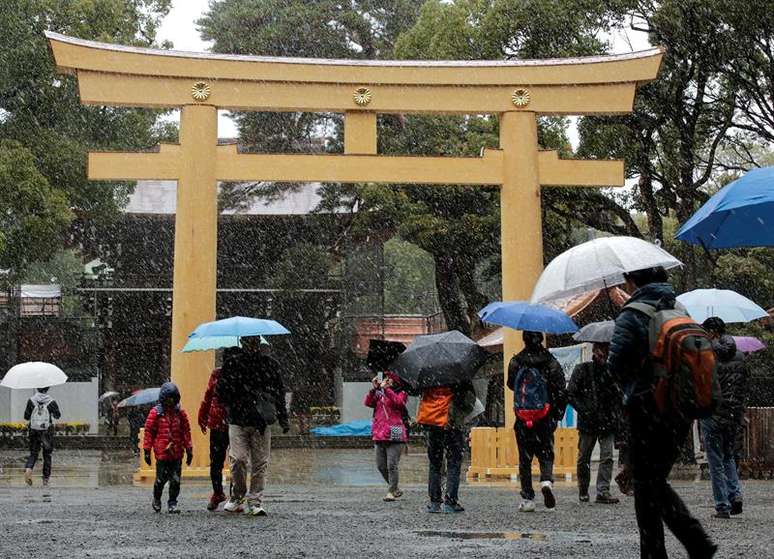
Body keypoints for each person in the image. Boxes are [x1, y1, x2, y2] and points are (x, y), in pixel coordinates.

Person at [608, 266, 716, 558]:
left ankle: (691, 542)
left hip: (647, 407)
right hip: (679, 408)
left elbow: (616, 364)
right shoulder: (679, 308)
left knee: (648, 482)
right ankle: (678, 546)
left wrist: (633, 382)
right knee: (652, 481)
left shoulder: (632, 314)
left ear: (632, 281)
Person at [216, 336, 290, 516]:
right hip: (237, 419)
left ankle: (255, 500)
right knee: (238, 459)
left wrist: (282, 417)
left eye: (255, 342)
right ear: (243, 343)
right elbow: (221, 392)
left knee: (260, 463)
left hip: (261, 421)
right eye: (249, 342)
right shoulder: (232, 364)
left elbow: (279, 391)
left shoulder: (270, 365)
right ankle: (237, 495)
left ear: (259, 344)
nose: (252, 346)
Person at [507, 331, 567, 512]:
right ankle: (546, 481)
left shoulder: (516, 361)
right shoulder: (550, 362)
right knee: (546, 452)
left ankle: (527, 498)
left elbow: (511, 384)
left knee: (524, 459)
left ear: (523, 340)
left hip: (523, 417)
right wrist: (556, 414)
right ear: (541, 339)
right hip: (544, 415)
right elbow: (560, 389)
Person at [699, 318, 748, 518]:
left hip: (712, 413)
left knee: (715, 461)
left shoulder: (707, 356)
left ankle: (722, 505)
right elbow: (744, 386)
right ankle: (735, 494)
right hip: (732, 414)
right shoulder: (740, 355)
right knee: (728, 457)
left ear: (712, 333)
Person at [568, 341, 621, 504]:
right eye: (601, 351)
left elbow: (617, 395)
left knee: (607, 456)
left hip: (607, 420)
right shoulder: (582, 369)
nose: (603, 354)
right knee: (584, 457)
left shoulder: (612, 370)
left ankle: (603, 491)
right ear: (595, 351)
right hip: (588, 421)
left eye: (606, 350)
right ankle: (583, 489)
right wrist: (584, 409)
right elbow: (571, 394)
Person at [417, 380, 476, 514]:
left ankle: (434, 502)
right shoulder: (460, 379)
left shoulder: (427, 378)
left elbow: (420, 396)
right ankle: (450, 501)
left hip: (433, 424)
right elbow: (469, 403)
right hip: (452, 425)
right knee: (454, 463)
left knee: (435, 464)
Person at [143, 382, 193, 514]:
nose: (170, 401)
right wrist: (147, 450)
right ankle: (157, 499)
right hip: (162, 453)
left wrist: (189, 449)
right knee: (160, 480)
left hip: (176, 453)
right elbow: (149, 432)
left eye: (173, 398)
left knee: (175, 480)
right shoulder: (156, 413)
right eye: (168, 398)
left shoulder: (180, 413)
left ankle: (172, 502)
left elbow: (186, 431)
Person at [198, 347, 237, 511]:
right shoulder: (216, 374)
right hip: (219, 423)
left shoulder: (240, 375)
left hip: (234, 421)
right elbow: (208, 396)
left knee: (236, 460)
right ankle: (218, 493)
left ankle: (235, 496)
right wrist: (203, 416)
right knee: (218, 461)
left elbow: (208, 397)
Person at [364, 371, 408, 502]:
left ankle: (391, 491)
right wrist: (374, 389)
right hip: (379, 433)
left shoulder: (402, 392)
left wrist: (387, 390)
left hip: (395, 432)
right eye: (385, 379)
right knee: (380, 466)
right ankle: (395, 487)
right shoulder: (379, 394)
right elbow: (367, 402)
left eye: (389, 379)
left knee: (392, 465)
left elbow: (399, 403)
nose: (386, 380)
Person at [23, 387, 61, 487]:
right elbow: (58, 415)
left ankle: (29, 468)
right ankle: (46, 478)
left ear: (37, 388)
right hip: (46, 431)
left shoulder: (31, 400)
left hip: (34, 430)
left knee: (33, 453)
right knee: (47, 455)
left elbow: (26, 416)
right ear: (47, 389)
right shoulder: (51, 401)